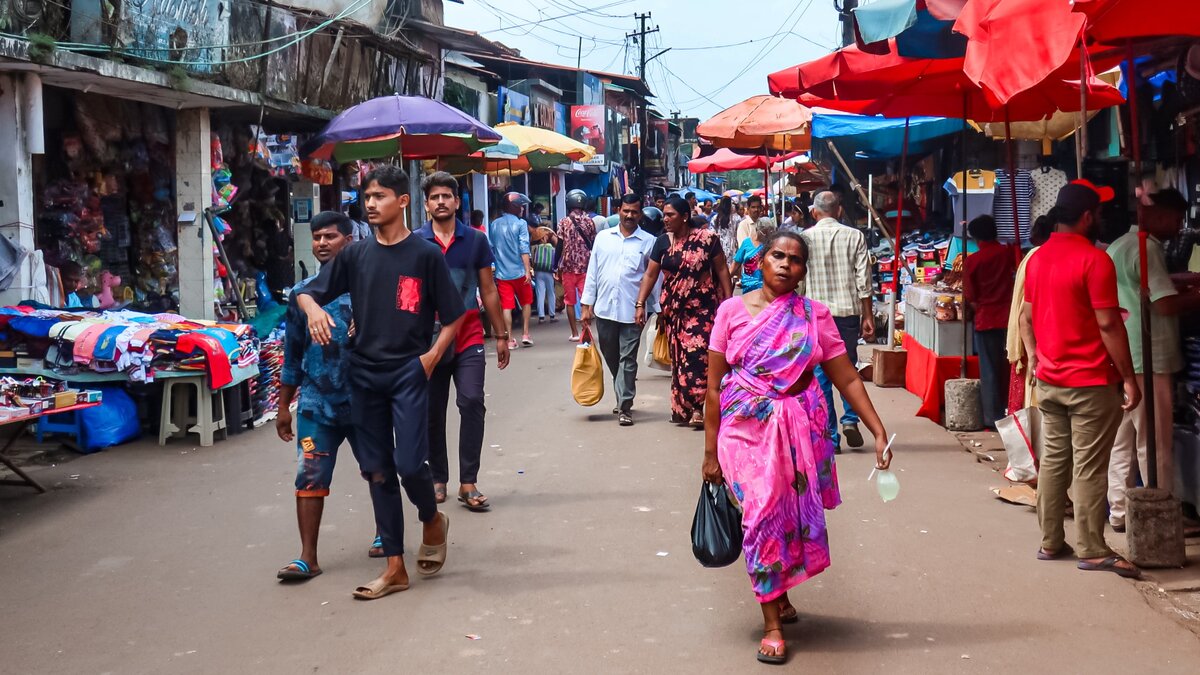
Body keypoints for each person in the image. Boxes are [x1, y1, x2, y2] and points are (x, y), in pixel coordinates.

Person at [704, 230, 892, 665]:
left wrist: (878, 429)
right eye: (777, 255)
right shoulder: (731, 311)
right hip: (742, 429)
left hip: (796, 428)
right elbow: (714, 388)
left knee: (785, 510)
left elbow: (845, 377)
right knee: (761, 512)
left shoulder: (814, 315)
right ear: (760, 260)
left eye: (795, 259)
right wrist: (710, 454)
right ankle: (771, 623)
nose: (786, 264)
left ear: (804, 270)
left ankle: (779, 590)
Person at [296, 165, 462, 600]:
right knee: (378, 472)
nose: (370, 204)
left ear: (403, 202)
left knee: (409, 465)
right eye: (366, 197)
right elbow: (307, 291)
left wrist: (429, 358)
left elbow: (455, 315)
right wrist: (313, 309)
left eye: (380, 196)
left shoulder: (425, 255)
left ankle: (430, 516)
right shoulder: (354, 255)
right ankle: (394, 567)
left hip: (409, 371)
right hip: (364, 375)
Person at [1019, 181, 1141, 579]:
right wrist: (1129, 378)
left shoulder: (1037, 259)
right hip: (1089, 380)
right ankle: (1091, 546)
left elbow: (1027, 316)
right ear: (1088, 216)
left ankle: (1050, 540)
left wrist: (1036, 357)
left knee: (1055, 461)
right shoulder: (1095, 261)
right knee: (1090, 466)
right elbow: (1108, 324)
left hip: (1051, 379)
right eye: (1099, 212)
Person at [416, 172, 512, 513]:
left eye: (447, 196)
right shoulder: (415, 241)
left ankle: (468, 481)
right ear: (426, 204)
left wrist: (501, 335)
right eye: (434, 197)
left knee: (471, 402)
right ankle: (437, 478)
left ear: (457, 202)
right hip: (427, 339)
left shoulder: (475, 240)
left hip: (470, 334)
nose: (441, 202)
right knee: (431, 411)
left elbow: (488, 289)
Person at [276, 212, 363, 582]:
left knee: (378, 471)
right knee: (308, 476)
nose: (322, 243)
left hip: (365, 400)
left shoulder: (368, 288)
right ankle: (307, 557)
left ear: (348, 240)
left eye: (330, 236)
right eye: (317, 237)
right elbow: (291, 352)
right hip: (316, 402)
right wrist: (283, 405)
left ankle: (385, 536)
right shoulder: (301, 295)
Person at [1107, 188, 1200, 532]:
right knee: (1155, 442)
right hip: (1149, 356)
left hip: (1123, 353)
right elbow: (1163, 304)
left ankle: (1119, 512)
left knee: (1124, 441)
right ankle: (1161, 515)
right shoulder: (1146, 249)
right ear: (1158, 215)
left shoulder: (1119, 245)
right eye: (1176, 219)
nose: (1178, 228)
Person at [635, 196, 734, 427]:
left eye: (670, 215)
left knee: (697, 356)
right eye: (664, 215)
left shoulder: (707, 239)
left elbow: (721, 269)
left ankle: (699, 408)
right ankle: (683, 408)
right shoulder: (662, 242)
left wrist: (729, 304)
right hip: (673, 312)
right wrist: (640, 304)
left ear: (685, 217)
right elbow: (650, 274)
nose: (665, 219)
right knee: (679, 360)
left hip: (703, 309)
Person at [801, 191, 875, 451]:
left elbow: (799, 281)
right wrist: (868, 315)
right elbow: (863, 281)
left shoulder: (804, 239)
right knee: (848, 367)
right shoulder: (855, 236)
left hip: (815, 314)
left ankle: (831, 435)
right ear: (839, 210)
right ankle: (850, 419)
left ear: (814, 212)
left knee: (820, 372)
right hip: (847, 314)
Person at [581, 194, 657, 426]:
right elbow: (592, 271)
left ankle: (625, 405)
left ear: (640, 214)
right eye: (626, 211)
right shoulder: (603, 238)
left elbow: (652, 277)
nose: (629, 216)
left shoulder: (648, 241)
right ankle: (621, 388)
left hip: (633, 311)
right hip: (604, 309)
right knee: (611, 356)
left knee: (628, 359)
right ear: (618, 210)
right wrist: (586, 305)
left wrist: (656, 309)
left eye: (634, 212)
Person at [962, 215, 1016, 429]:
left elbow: (970, 295)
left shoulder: (973, 261)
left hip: (986, 318)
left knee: (990, 370)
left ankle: (992, 417)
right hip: (1009, 317)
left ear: (975, 237)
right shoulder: (1009, 254)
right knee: (1009, 367)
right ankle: (1010, 408)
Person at [1006, 215, 1055, 414]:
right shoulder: (1041, 257)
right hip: (1039, 343)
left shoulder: (1034, 256)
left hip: (1034, 343)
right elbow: (1026, 313)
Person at [488, 192, 535, 349]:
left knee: (506, 307)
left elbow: (492, 248)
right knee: (526, 302)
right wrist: (528, 270)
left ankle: (509, 339)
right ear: (514, 207)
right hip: (520, 272)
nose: (522, 209)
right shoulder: (521, 224)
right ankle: (526, 333)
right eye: (520, 206)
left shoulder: (494, 224)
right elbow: (524, 248)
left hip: (502, 274)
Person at [558, 189, 597, 342]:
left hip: (568, 267)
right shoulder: (589, 221)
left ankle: (574, 333)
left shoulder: (563, 222)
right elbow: (593, 243)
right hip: (586, 267)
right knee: (585, 300)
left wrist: (556, 265)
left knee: (570, 301)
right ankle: (585, 331)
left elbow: (559, 246)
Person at [730, 217, 776, 293]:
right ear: (759, 230)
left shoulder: (771, 245)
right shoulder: (746, 243)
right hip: (749, 287)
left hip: (767, 287)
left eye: (770, 231)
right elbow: (735, 265)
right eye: (767, 231)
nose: (769, 234)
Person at [530, 219, 560, 324]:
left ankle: (541, 316)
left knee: (540, 293)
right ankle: (552, 315)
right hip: (549, 271)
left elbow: (532, 259)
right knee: (551, 292)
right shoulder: (552, 246)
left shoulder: (535, 247)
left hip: (538, 271)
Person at [712, 196, 738, 261]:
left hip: (719, 247)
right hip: (732, 247)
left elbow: (712, 233)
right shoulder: (736, 218)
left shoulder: (715, 218)